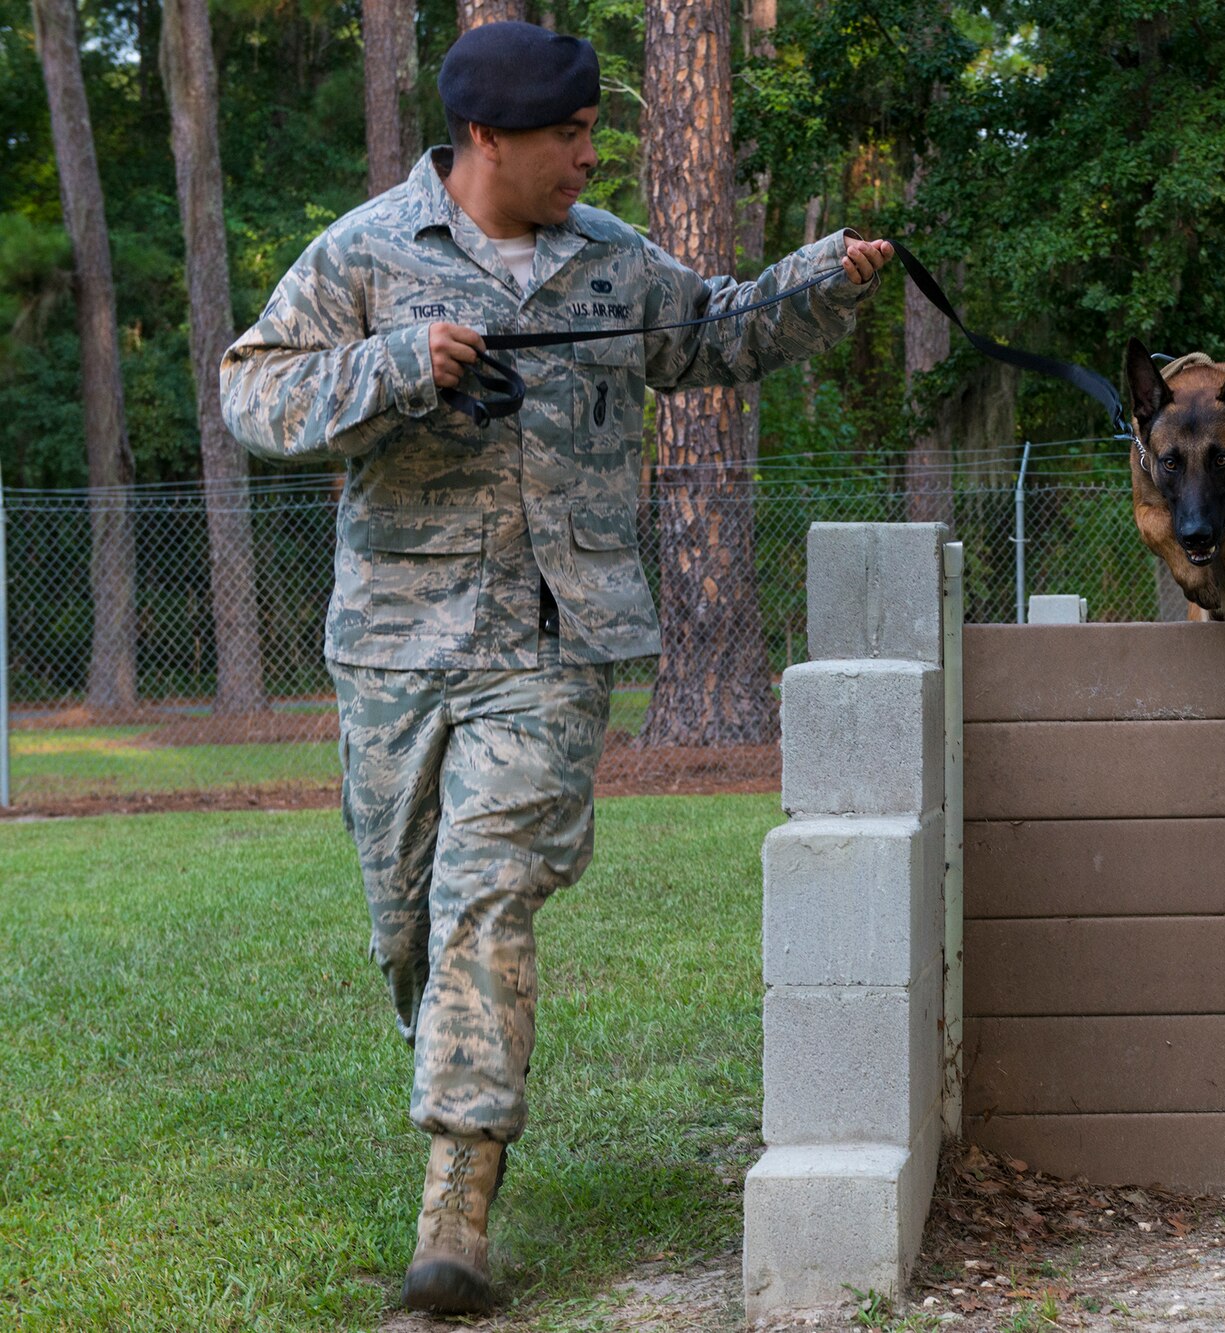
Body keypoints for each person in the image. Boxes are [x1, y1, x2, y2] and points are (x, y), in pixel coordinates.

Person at [219, 21, 891, 1315]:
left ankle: (455, 1212)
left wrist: (832, 273)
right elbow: (255, 393)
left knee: (486, 891)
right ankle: (457, 1103)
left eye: (593, 128)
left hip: (554, 643)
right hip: (397, 648)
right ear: (485, 141)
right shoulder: (367, 253)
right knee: (407, 922)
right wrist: (394, 367)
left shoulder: (611, 263)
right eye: (565, 135)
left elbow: (717, 330)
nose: (591, 151)